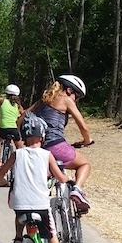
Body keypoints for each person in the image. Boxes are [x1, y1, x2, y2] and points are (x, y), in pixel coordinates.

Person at [0, 113, 71, 243]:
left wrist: (3, 182)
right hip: (41, 205)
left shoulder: (17, 154)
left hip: (20, 205)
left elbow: (0, 175)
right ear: (43, 135)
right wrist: (68, 180)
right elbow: (60, 178)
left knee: (21, 213)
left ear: (23, 135)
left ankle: (19, 240)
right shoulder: (47, 155)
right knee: (51, 234)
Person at [28, 74, 93, 213]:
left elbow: (21, 119)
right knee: (84, 164)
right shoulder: (67, 100)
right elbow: (84, 127)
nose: (76, 99)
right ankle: (77, 189)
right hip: (56, 145)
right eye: (77, 95)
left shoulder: (42, 100)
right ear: (69, 90)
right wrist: (87, 141)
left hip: (39, 148)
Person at [0, 84, 25, 169]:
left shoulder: (2, 102)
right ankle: (20, 164)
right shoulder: (18, 105)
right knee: (20, 148)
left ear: (6, 93)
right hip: (14, 129)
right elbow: (23, 114)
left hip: (3, 129)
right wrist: (17, 119)